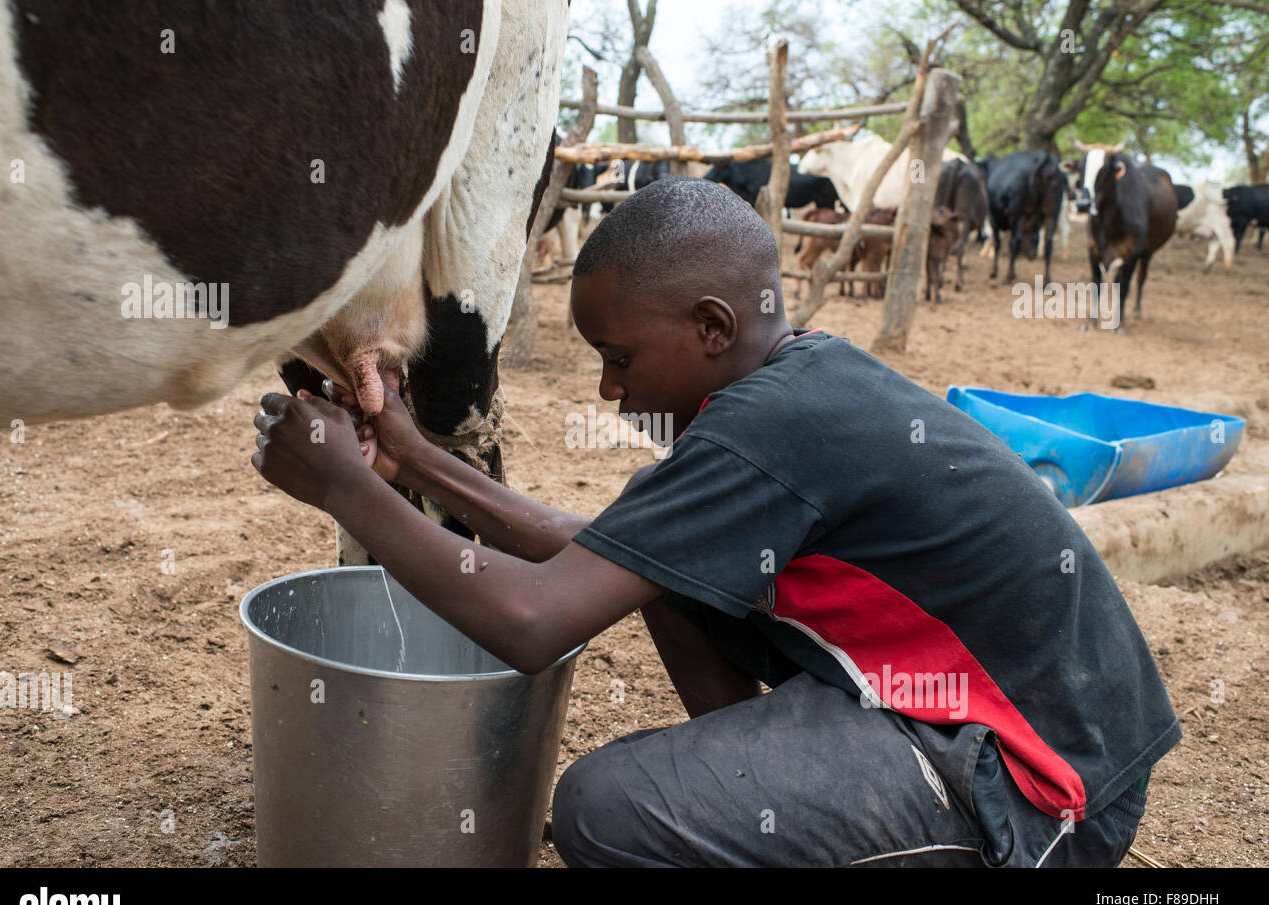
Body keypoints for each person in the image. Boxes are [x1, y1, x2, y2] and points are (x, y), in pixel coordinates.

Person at [251, 177, 1180, 867]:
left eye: (618, 358)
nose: (612, 394)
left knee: (601, 809)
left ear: (709, 324)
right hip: (1015, 731)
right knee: (657, 570)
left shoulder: (769, 428)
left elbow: (534, 621)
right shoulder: (792, 386)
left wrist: (346, 487)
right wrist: (411, 456)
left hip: (1037, 786)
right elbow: (599, 552)